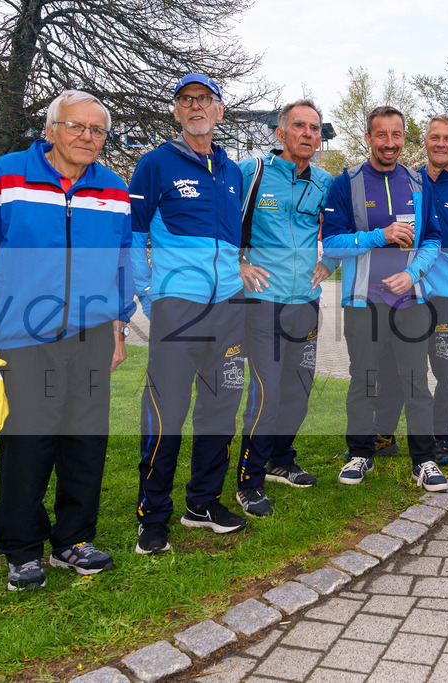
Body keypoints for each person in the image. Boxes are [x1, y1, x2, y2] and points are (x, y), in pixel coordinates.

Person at [0, 90, 133, 590]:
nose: (88, 137)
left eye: (98, 130)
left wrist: (118, 327)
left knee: (86, 441)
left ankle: (74, 540)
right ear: (50, 130)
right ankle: (22, 550)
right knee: (28, 443)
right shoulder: (8, 176)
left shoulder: (112, 188)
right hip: (24, 337)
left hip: (91, 334)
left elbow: (123, 263)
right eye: (76, 126)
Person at [129, 73, 248, 554]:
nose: (196, 106)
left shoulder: (233, 171)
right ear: (176, 111)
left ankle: (202, 503)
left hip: (229, 310)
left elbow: (231, 241)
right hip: (178, 308)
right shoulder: (155, 163)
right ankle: (151, 515)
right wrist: (147, 295)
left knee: (221, 409)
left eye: (205, 99)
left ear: (220, 110)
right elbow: (135, 235)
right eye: (186, 100)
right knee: (166, 413)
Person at [320, 105, 448, 491]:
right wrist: (381, 235)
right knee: (364, 380)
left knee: (415, 382)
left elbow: (433, 240)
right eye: (381, 135)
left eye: (396, 135)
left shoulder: (420, 184)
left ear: (403, 138)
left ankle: (423, 460)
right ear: (368, 138)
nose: (389, 143)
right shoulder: (346, 183)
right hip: (363, 303)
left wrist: (411, 275)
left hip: (411, 303)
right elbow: (332, 242)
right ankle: (361, 453)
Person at [370, 114, 448, 465]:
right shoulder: (409, 180)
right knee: (393, 366)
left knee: (446, 370)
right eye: (434, 137)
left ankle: (443, 438)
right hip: (407, 292)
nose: (441, 144)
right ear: (424, 141)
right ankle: (382, 433)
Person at [234, 99, 335, 515]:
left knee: (298, 389)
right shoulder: (252, 172)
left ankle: (280, 460)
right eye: (299, 126)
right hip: (263, 302)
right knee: (267, 391)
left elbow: (340, 229)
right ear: (280, 134)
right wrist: (237, 262)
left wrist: (329, 261)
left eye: (315, 128)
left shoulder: (325, 181)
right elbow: (223, 222)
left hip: (306, 302)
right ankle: (249, 480)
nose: (309, 134)